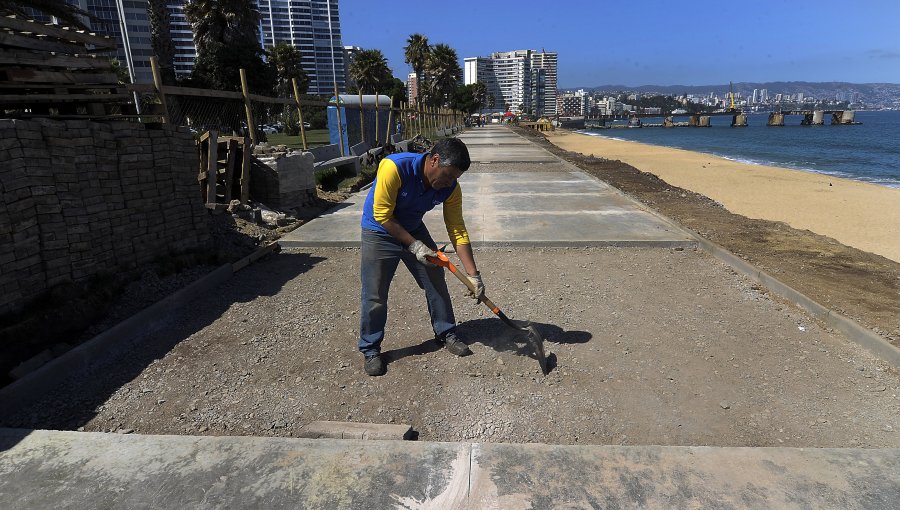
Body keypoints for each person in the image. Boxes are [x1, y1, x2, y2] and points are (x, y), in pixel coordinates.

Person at [358, 138, 483, 376]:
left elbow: (456, 228)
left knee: (435, 276)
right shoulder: (394, 167)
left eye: (455, 178)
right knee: (375, 293)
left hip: (413, 227)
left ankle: (445, 332)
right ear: (434, 160)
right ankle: (371, 348)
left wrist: (473, 275)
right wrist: (415, 247)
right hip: (379, 230)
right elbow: (383, 215)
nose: (449, 182)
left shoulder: (451, 188)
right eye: (447, 176)